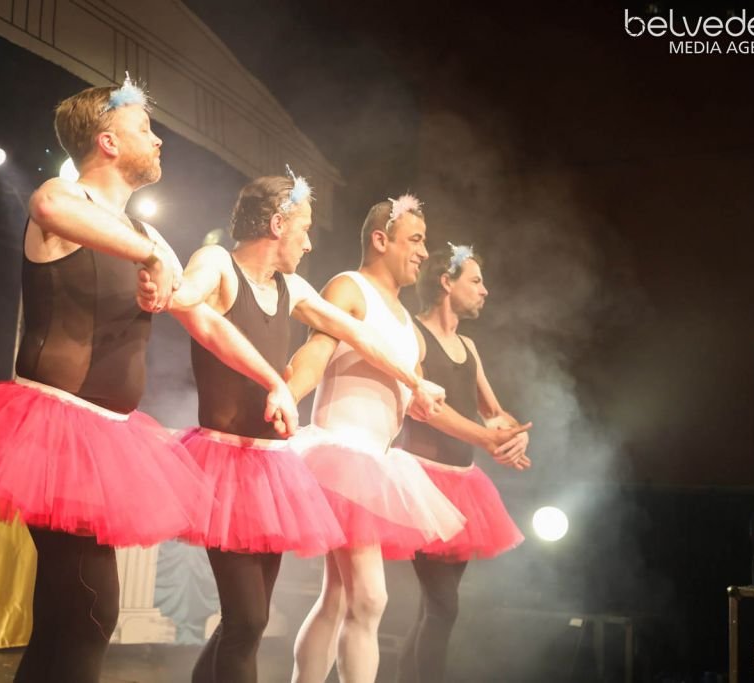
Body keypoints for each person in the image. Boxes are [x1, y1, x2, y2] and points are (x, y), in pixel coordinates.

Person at [0, 75, 296, 683]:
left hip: (108, 436)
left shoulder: (149, 236)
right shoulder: (65, 198)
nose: (158, 140)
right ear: (107, 142)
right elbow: (47, 207)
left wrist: (274, 380)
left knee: (67, 618)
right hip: (53, 430)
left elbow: (203, 320)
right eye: (145, 129)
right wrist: (148, 258)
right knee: (90, 611)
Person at [160, 172, 450, 683]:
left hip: (269, 467)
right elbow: (188, 297)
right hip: (225, 461)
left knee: (245, 624)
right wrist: (163, 283)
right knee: (248, 620)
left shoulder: (292, 287)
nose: (311, 242)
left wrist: (414, 382)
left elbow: (359, 335)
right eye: (305, 229)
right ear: (278, 225)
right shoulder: (217, 262)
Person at [287, 196, 530, 683]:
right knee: (370, 597)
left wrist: (490, 436)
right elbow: (316, 351)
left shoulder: (405, 323)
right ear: (382, 240)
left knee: (339, 596)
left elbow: (426, 406)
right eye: (415, 240)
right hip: (339, 453)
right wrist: (284, 395)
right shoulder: (349, 287)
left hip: (374, 463)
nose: (423, 251)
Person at [392, 244, 528, 683]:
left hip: (462, 486)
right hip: (422, 484)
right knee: (443, 605)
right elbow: (427, 408)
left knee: (434, 608)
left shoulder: (468, 345)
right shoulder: (413, 334)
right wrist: (488, 437)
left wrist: (514, 433)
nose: (485, 291)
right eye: (476, 280)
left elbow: (494, 412)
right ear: (446, 283)